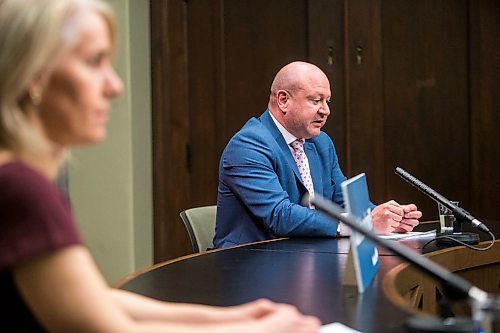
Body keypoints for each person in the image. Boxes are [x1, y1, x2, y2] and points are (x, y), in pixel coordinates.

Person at [0, 1, 321, 332]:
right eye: (94, 62)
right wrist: (261, 329)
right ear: (34, 75)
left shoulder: (18, 178)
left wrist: (233, 316)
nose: (115, 86)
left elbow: (96, 298)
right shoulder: (22, 187)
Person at [214, 61, 422, 248]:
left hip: (306, 257)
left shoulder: (321, 143)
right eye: (316, 100)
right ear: (283, 100)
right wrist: (363, 224)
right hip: (251, 267)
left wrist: (386, 219)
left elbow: (343, 200)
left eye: (327, 101)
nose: (326, 111)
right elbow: (280, 215)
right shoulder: (249, 145)